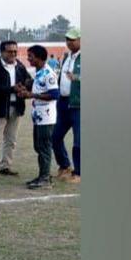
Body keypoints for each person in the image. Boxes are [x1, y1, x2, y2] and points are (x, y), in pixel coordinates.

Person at [0, 40, 29, 178]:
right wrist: (11, 89)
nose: (13, 54)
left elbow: (28, 80)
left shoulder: (20, 66)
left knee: (11, 139)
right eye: (10, 51)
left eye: (15, 51)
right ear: (2, 52)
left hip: (16, 107)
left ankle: (6, 166)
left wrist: (25, 87)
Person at [20, 45, 60, 188]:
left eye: (30, 56)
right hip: (38, 117)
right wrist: (26, 92)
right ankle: (42, 175)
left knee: (44, 147)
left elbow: (55, 94)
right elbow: (37, 91)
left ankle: (45, 179)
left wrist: (32, 95)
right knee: (39, 146)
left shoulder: (48, 73)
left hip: (46, 118)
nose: (28, 59)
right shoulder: (38, 73)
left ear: (38, 57)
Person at [53, 28, 81, 183]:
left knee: (79, 140)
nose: (69, 42)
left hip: (78, 105)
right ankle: (64, 166)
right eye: (67, 39)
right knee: (55, 137)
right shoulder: (66, 57)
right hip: (63, 103)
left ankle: (79, 172)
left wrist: (77, 77)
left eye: (73, 39)